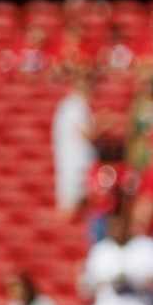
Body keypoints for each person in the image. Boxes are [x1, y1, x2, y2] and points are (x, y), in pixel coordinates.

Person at [53, 69, 97, 217]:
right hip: (76, 163)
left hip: (72, 161)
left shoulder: (69, 106)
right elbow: (87, 134)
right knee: (73, 204)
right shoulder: (76, 106)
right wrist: (105, 125)